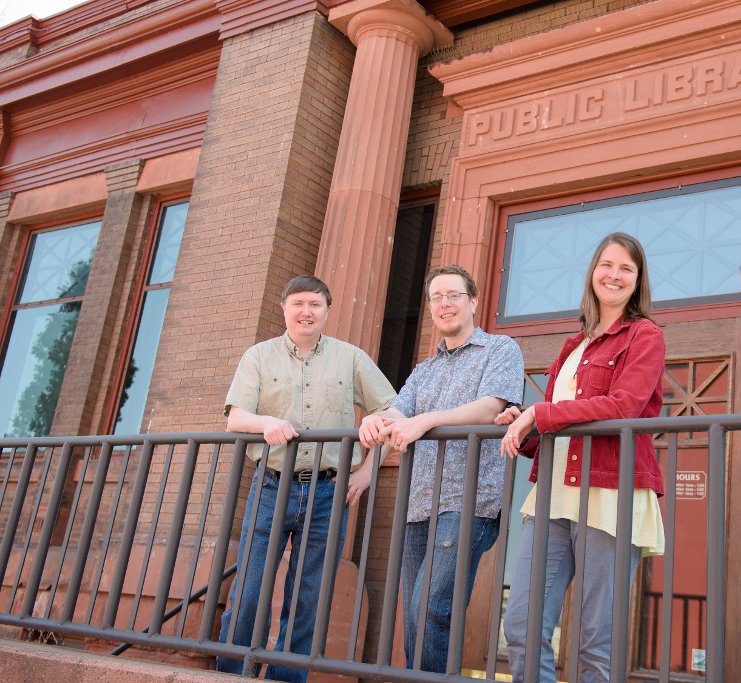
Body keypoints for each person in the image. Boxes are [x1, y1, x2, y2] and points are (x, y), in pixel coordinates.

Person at [497, 232, 666, 682]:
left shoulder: (644, 336)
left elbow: (624, 406)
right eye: (607, 265)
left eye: (626, 269)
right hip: (553, 496)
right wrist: (526, 423)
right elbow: (562, 424)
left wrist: (543, 412)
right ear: (593, 272)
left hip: (611, 495)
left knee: (596, 642)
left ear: (637, 281)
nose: (614, 275)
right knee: (522, 628)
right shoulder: (573, 346)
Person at [217, 275, 397, 683]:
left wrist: (369, 469)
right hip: (272, 486)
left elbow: (394, 412)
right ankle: (231, 675)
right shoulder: (258, 357)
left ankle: (284, 678)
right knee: (248, 589)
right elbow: (235, 418)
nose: (306, 312)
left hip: (328, 491)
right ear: (284, 309)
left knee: (309, 596)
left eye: (315, 304)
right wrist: (266, 423)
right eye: (298, 303)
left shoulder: (351, 358)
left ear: (327, 310)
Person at [358, 264, 524, 674]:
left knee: (431, 607)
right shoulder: (424, 369)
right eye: (437, 298)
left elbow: (492, 407)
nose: (445, 304)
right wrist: (377, 420)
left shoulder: (501, 350)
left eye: (453, 295)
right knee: (416, 618)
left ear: (472, 302)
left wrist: (426, 420)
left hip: (468, 500)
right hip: (418, 502)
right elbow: (400, 410)